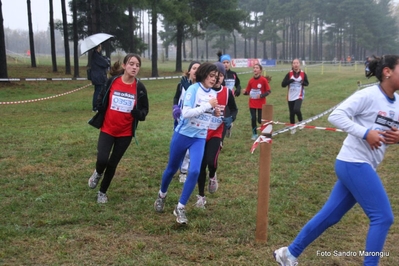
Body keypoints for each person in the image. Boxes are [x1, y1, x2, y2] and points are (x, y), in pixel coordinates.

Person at [274, 55, 399, 266]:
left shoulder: (396, 103)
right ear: (387, 72)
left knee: (330, 215)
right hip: (353, 163)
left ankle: (289, 254)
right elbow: (336, 115)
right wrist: (365, 132)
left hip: (361, 166)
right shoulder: (368, 94)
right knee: (383, 217)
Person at [154, 62, 220, 224]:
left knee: (195, 171)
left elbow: (208, 116)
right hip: (183, 135)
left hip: (199, 138)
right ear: (204, 75)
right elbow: (187, 112)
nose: (214, 79)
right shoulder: (193, 89)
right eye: (211, 76)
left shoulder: (213, 94)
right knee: (171, 169)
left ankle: (180, 207)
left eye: (216, 77)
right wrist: (207, 106)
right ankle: (162, 195)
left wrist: (216, 113)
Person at [87, 54, 149, 203]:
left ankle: (102, 192)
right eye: (131, 64)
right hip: (108, 129)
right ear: (124, 66)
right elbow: (102, 96)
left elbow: (145, 110)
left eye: (137, 65)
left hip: (125, 133)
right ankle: (98, 172)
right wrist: (100, 105)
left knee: (113, 163)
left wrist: (138, 113)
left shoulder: (139, 87)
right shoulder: (113, 81)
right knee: (102, 159)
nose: (134, 67)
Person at [195, 62, 238, 208]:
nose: (217, 78)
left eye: (220, 75)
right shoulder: (202, 91)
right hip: (201, 132)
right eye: (214, 75)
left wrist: (231, 118)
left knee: (211, 161)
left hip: (217, 132)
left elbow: (234, 109)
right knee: (200, 166)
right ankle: (201, 196)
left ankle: (212, 175)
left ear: (223, 77)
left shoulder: (226, 92)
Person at [172, 61, 201, 183]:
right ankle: (179, 170)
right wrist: (175, 107)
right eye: (194, 68)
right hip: (180, 120)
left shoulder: (201, 87)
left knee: (190, 151)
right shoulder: (181, 85)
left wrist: (188, 88)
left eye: (199, 69)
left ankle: (185, 171)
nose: (196, 70)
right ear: (189, 71)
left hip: (195, 121)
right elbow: (176, 97)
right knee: (180, 148)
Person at [243, 63, 271, 140]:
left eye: (257, 68)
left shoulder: (263, 80)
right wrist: (245, 92)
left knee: (260, 120)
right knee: (253, 119)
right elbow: (248, 92)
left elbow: (268, 91)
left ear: (260, 70)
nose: (255, 69)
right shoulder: (251, 81)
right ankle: (254, 134)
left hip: (261, 104)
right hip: (252, 104)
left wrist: (261, 95)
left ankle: (264, 131)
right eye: (254, 68)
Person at [281, 58, 309, 134]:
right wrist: (290, 81)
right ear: (292, 65)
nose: (296, 64)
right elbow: (283, 84)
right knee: (291, 113)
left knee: (296, 109)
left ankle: (301, 122)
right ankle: (293, 127)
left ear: (299, 64)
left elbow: (307, 83)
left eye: (297, 63)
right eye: (294, 63)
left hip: (299, 95)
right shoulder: (289, 74)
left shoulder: (303, 74)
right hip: (290, 95)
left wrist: (302, 82)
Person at [218, 52, 242, 138]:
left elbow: (238, 83)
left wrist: (238, 89)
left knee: (229, 112)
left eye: (227, 62)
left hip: (230, 97)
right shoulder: (219, 75)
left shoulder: (233, 74)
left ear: (230, 63)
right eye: (223, 63)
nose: (226, 64)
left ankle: (228, 126)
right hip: (222, 97)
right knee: (223, 113)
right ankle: (224, 127)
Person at [90, 44, 110, 112]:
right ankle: (95, 107)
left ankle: (97, 105)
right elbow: (105, 63)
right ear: (98, 47)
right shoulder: (96, 55)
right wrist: (106, 60)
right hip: (98, 77)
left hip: (98, 76)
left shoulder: (97, 55)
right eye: (100, 46)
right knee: (98, 91)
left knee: (98, 91)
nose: (101, 47)